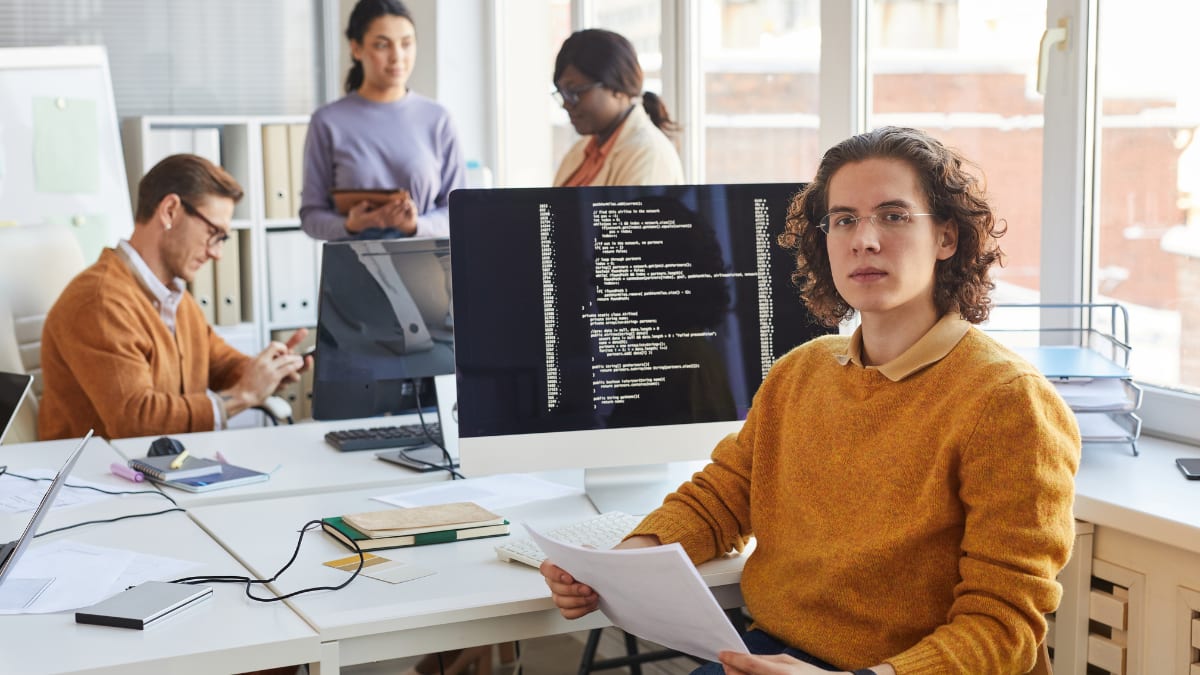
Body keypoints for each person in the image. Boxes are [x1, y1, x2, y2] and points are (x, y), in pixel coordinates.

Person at [540, 126, 1081, 674]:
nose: (863, 240)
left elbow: (1005, 623)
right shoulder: (801, 371)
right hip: (770, 654)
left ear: (947, 237)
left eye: (893, 216)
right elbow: (722, 497)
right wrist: (621, 564)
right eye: (844, 219)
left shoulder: (1008, 402)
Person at [39, 154, 310, 441]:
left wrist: (269, 370)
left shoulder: (174, 298)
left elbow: (220, 363)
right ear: (170, 211)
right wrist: (243, 395)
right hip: (100, 479)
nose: (217, 253)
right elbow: (136, 421)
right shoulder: (100, 301)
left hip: (166, 469)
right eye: (213, 233)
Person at [300, 0, 465, 241]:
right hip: (351, 268)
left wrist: (415, 225)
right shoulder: (327, 122)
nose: (397, 56)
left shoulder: (438, 120)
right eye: (382, 45)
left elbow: (459, 212)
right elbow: (311, 216)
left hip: (423, 267)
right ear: (356, 49)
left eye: (406, 44)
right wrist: (351, 224)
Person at [552, 28, 684, 187]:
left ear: (617, 87)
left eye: (574, 92)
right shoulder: (582, 151)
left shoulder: (648, 156)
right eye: (563, 93)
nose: (566, 104)